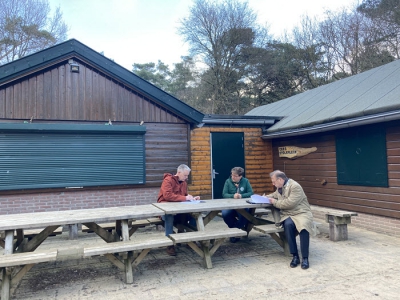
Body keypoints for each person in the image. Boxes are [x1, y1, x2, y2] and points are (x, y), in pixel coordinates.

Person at [265, 170, 316, 270]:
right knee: (288, 225)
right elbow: (274, 195)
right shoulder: (280, 187)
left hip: (301, 213)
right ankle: (295, 256)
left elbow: (289, 203)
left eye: (274, 181)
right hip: (289, 214)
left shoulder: (295, 186)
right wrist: (263, 197)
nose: (273, 183)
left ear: (280, 179)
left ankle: (305, 258)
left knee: (304, 227)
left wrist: (274, 202)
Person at [157, 164, 200, 256]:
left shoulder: (184, 183)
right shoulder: (168, 180)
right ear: (179, 172)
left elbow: (183, 196)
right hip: (165, 209)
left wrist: (192, 198)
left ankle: (190, 240)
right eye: (185, 175)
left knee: (194, 216)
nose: (186, 177)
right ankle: (170, 244)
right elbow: (167, 196)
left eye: (187, 175)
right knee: (169, 216)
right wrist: (185, 198)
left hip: (179, 209)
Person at [221, 167, 254, 243]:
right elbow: (224, 194)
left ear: (240, 176)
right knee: (225, 214)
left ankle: (235, 232)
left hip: (243, 206)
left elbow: (251, 193)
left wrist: (241, 196)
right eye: (232, 175)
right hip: (230, 206)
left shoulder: (245, 181)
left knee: (245, 214)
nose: (233, 177)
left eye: (235, 176)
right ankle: (235, 231)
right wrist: (233, 196)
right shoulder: (228, 181)